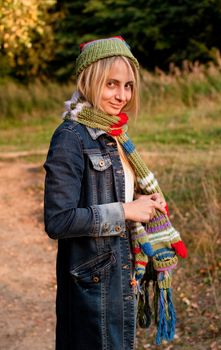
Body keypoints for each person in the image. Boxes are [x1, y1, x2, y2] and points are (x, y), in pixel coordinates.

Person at [44, 36, 187, 350]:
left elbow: (115, 193)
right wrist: (126, 211)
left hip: (120, 273)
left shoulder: (114, 134)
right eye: (111, 84)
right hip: (93, 286)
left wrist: (144, 203)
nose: (122, 95)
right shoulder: (71, 137)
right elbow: (58, 220)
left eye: (128, 85)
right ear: (89, 80)